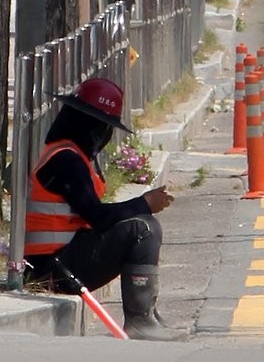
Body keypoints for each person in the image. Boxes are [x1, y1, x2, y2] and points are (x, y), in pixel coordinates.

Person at [23, 78, 188, 342]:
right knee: (143, 228)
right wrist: (144, 203)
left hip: (57, 257)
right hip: (53, 267)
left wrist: (141, 205)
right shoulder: (67, 161)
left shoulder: (64, 153)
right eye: (103, 128)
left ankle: (147, 314)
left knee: (142, 221)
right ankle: (139, 321)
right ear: (91, 127)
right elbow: (97, 217)